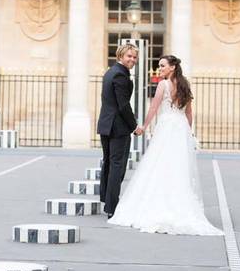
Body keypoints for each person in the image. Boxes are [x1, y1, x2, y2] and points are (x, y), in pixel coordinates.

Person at [109, 55, 223, 235]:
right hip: (180, 128)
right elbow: (189, 113)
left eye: (162, 66)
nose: (159, 69)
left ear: (172, 67)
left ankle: (158, 203)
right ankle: (178, 204)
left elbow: (154, 108)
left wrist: (144, 126)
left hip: (167, 126)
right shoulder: (185, 85)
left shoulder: (163, 85)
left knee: (160, 163)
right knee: (178, 167)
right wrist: (189, 132)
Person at [96, 43, 143, 219]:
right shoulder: (121, 76)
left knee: (108, 162)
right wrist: (134, 126)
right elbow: (123, 105)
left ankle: (106, 200)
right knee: (117, 165)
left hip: (106, 125)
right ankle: (112, 207)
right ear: (120, 56)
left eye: (134, 57)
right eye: (129, 56)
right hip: (118, 127)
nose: (132, 59)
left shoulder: (110, 72)